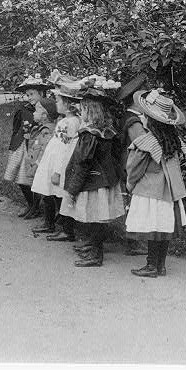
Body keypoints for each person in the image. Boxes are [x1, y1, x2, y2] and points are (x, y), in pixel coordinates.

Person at [59, 76, 125, 267]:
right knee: (97, 217)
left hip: (93, 183)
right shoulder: (108, 130)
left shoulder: (89, 135)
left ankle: (96, 254)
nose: (79, 110)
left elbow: (82, 164)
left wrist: (72, 190)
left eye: (83, 107)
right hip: (106, 180)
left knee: (93, 218)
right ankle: (93, 246)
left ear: (89, 110)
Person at [126, 90, 186, 278]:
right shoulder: (174, 140)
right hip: (170, 190)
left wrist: (130, 184)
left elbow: (135, 166)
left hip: (151, 188)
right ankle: (160, 265)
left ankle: (151, 265)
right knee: (164, 225)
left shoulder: (147, 141)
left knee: (153, 226)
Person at [31, 85, 82, 236]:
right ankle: (51, 223)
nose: (56, 104)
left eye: (58, 101)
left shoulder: (70, 123)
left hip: (59, 163)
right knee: (48, 192)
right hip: (52, 161)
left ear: (68, 105)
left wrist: (58, 171)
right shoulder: (65, 120)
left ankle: (66, 229)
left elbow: (65, 148)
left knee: (59, 195)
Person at [4, 74, 51, 217]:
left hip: (37, 146)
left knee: (34, 177)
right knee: (21, 176)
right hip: (23, 145)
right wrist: (14, 143)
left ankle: (36, 206)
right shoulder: (23, 109)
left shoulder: (47, 108)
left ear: (41, 93)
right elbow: (16, 127)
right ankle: (30, 204)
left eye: (32, 94)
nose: (29, 97)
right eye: (27, 94)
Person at [117, 73, 149, 256]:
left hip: (128, 162)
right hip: (130, 164)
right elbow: (142, 145)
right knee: (133, 202)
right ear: (136, 99)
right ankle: (133, 242)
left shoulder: (132, 116)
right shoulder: (132, 120)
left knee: (132, 201)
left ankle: (134, 240)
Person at [21, 98, 58, 220]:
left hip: (42, 165)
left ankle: (50, 222)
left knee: (47, 194)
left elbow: (45, 148)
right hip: (38, 163)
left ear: (44, 115)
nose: (33, 113)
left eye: (36, 111)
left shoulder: (46, 130)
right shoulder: (41, 128)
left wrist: (37, 163)